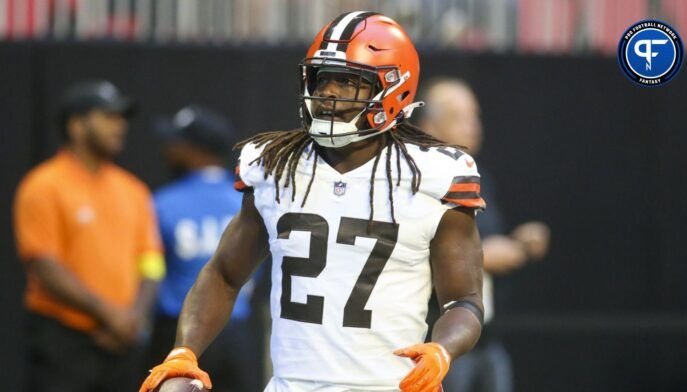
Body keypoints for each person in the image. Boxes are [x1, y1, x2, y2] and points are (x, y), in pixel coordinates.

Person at [141, 12, 485, 392]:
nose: (329, 93)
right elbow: (225, 274)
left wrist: (442, 350)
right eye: (323, 78)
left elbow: (463, 303)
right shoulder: (274, 165)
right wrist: (183, 352)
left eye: (349, 81)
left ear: (393, 88)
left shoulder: (432, 174)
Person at [13, 80, 165, 392]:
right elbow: (43, 265)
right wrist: (110, 316)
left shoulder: (132, 189)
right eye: (108, 117)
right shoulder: (43, 185)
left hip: (123, 341)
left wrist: (133, 319)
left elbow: (151, 261)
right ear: (77, 126)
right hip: (64, 340)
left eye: (122, 118)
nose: (120, 126)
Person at [418, 78, 551, 392]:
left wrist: (520, 242)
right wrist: (482, 258)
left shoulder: (478, 178)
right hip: (438, 340)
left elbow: (486, 239)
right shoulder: (416, 181)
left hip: (486, 336)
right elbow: (413, 252)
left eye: (474, 116)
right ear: (428, 125)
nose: (472, 126)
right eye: (458, 117)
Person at [147, 105, 262, 392]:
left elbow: (148, 267)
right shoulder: (247, 200)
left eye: (177, 143)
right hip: (237, 331)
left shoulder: (162, 202)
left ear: (196, 150)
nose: (168, 149)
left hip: (182, 333)